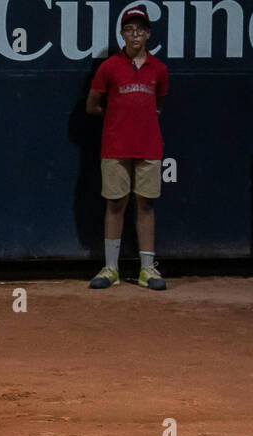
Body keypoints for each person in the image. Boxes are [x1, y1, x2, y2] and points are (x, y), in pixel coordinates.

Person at [85, 6, 169, 291]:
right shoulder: (108, 68)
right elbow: (92, 105)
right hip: (114, 147)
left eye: (140, 30)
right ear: (122, 34)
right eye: (129, 30)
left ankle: (147, 269)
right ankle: (111, 268)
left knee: (145, 205)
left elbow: (158, 106)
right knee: (115, 204)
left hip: (149, 147)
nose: (135, 34)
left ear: (148, 34)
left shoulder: (159, 69)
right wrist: (117, 118)